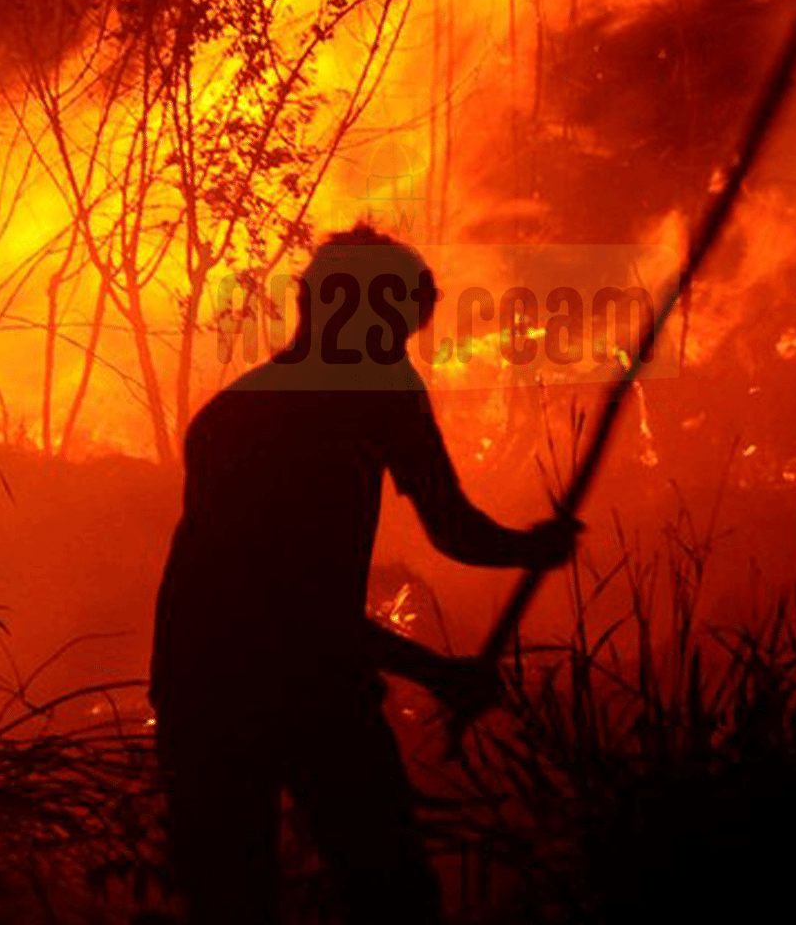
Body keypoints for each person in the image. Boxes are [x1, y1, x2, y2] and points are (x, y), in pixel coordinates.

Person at [149, 223, 579, 925]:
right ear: (342, 315)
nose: (400, 350)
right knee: (271, 897)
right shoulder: (250, 422)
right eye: (393, 330)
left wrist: (531, 549)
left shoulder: (357, 396)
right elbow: (290, 608)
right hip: (224, 687)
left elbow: (452, 528)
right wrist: (439, 672)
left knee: (380, 891)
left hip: (280, 681)